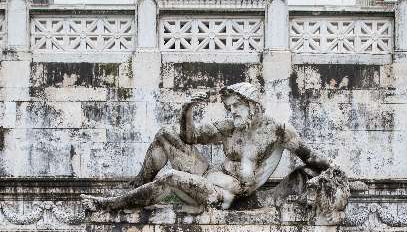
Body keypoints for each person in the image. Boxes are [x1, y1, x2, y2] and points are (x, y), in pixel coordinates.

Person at [83, 82, 333, 213]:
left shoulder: (277, 130)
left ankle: (110, 204)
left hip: (224, 192)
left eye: (236, 105)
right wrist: (187, 110)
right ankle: (138, 184)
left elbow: (310, 156)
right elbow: (189, 136)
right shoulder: (229, 127)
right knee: (166, 134)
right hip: (207, 173)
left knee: (170, 177)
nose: (231, 111)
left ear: (252, 105)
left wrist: (335, 169)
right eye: (230, 107)